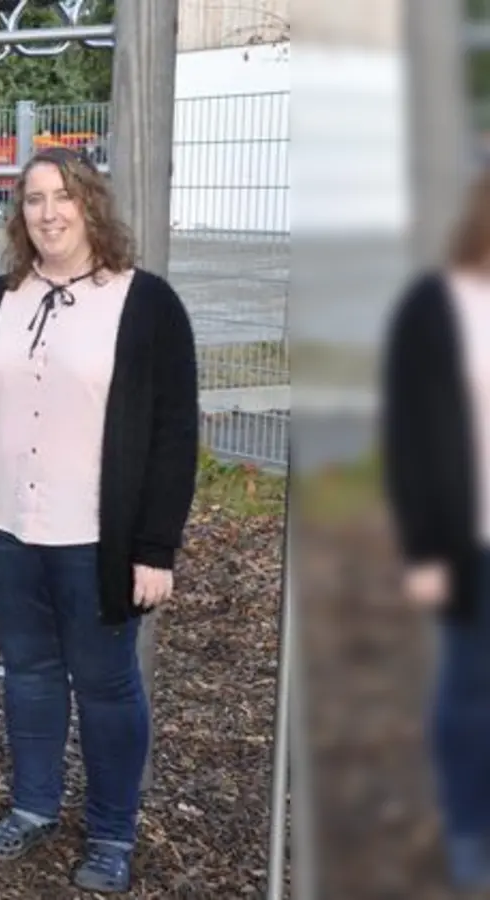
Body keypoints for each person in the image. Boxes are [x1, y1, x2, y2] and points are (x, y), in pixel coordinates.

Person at [0, 146, 198, 894]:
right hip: (12, 531)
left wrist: (155, 547)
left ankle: (112, 831)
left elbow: (176, 433)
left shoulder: (144, 304)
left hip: (96, 541)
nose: (48, 213)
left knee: (108, 685)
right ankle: (34, 806)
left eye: (62, 198)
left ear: (91, 205)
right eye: (33, 200)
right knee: (31, 676)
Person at [380, 166, 490, 891]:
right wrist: (421, 547)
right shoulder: (437, 304)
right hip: (469, 542)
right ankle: (468, 836)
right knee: (470, 694)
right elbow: (411, 436)